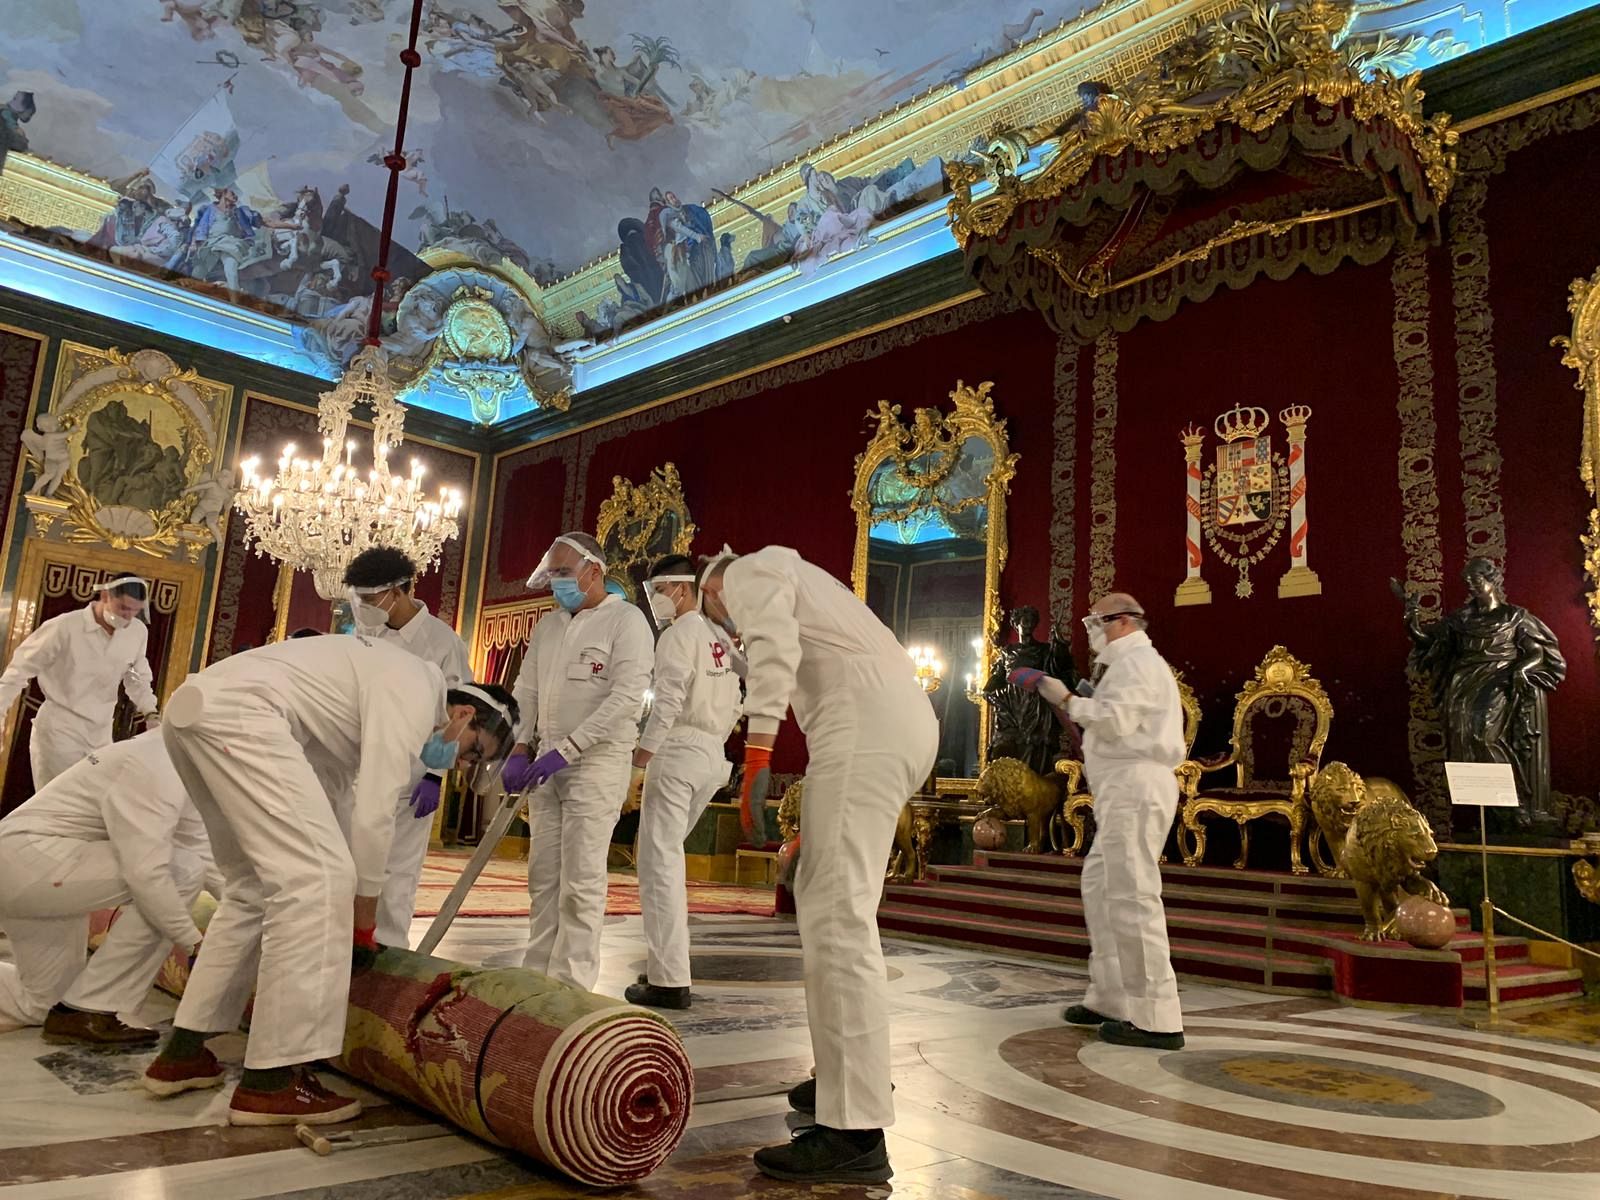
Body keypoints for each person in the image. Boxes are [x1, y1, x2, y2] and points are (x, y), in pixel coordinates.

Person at [140, 635, 516, 1126]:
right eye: (472, 752)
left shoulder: (361, 695)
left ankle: (183, 1053)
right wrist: (362, 921)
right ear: (464, 715)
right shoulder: (414, 689)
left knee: (254, 889)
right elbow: (374, 812)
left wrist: (351, 903)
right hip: (242, 716)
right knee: (317, 882)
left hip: (195, 712)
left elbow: (333, 796)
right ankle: (271, 1081)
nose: (460, 763)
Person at [698, 545, 936, 1185]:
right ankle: (846, 1075)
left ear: (707, 588)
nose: (727, 629)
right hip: (887, 731)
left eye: (710, 615)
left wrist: (756, 754)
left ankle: (854, 1131)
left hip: (863, 733)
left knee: (836, 922)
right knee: (833, 904)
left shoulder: (746, 572)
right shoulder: (806, 581)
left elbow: (774, 651)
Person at [1010, 591, 1186, 1051]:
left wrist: (1066, 697)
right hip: (1121, 788)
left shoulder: (1139, 664)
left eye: (1096, 622)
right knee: (1101, 886)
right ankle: (1112, 998)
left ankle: (1157, 1017)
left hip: (1137, 784)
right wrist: (1084, 697)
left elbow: (1117, 721)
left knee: (1133, 895)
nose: (1091, 631)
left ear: (1123, 622)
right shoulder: (1124, 668)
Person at [499, 533, 652, 989]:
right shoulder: (548, 626)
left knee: (581, 882)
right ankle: (536, 978)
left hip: (596, 764)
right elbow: (526, 689)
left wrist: (568, 750)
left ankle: (571, 986)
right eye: (553, 575)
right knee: (543, 877)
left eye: (564, 573)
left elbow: (626, 698)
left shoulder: (626, 623)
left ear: (593, 571)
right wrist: (520, 746)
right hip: (544, 765)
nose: (557, 583)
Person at [0, 729, 212, 1044]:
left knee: (43, 1003)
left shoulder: (181, 764)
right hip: (34, 865)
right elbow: (147, 872)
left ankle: (81, 1008)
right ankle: (96, 1007)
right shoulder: (157, 764)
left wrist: (263, 909)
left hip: (35, 870)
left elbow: (207, 855)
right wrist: (193, 943)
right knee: (180, 870)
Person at [625, 554, 742, 1011]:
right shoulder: (720, 638)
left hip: (678, 753)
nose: (655, 601)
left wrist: (639, 759)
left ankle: (669, 977)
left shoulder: (678, 635)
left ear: (682, 589)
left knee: (658, 866)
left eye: (658, 591)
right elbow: (737, 699)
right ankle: (667, 966)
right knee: (668, 860)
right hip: (713, 755)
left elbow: (668, 700)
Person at [342, 547, 472, 948]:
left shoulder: (442, 642)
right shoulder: (366, 634)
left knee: (397, 872)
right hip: (359, 765)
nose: (362, 607)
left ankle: (390, 952)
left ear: (397, 592)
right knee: (351, 862)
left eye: (368, 598)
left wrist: (435, 773)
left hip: (413, 769)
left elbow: (458, 712)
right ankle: (345, 946)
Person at [0, 576, 160, 790]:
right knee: (60, 801)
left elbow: (135, 675)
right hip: (60, 728)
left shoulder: (137, 632)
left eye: (134, 610)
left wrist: (150, 711)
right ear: (105, 595)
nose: (128, 616)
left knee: (96, 801)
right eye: (123, 608)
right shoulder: (65, 627)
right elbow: (18, 671)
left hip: (101, 732)